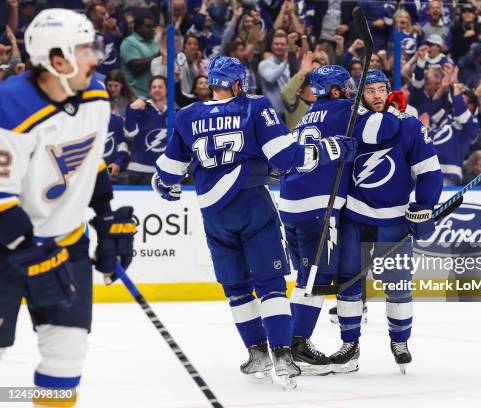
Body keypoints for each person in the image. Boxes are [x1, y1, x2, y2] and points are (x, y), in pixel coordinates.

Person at [151, 56, 357, 389]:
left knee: (236, 289)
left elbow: (167, 174)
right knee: (271, 283)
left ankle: (256, 352)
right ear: (236, 84)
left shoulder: (187, 116)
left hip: (213, 214)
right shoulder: (254, 107)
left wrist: (162, 185)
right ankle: (282, 355)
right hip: (252, 205)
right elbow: (288, 159)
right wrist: (329, 148)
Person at [0, 9, 135, 404]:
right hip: (6, 250)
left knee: (66, 361)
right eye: (85, 49)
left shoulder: (95, 95)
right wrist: (28, 249)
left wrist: (106, 217)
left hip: (65, 245)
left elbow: (88, 163)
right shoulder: (10, 105)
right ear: (56, 59)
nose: (96, 57)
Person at [279, 65, 400, 376]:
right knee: (316, 279)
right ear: (334, 90)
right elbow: (382, 129)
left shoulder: (308, 115)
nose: (353, 92)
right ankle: (296, 345)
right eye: (347, 87)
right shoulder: (347, 110)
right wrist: (394, 107)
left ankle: (290, 342)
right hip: (317, 208)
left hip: (290, 205)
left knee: (306, 277)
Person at [339, 69, 442, 373]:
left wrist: (424, 206)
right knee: (349, 284)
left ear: (388, 91)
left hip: (394, 218)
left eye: (381, 89)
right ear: (360, 95)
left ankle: (400, 341)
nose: (377, 96)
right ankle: (349, 343)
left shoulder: (409, 126)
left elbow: (429, 170)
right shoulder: (351, 124)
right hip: (354, 216)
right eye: (369, 91)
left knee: (397, 284)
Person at [124, 75, 168, 184]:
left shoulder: (172, 113)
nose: (156, 89)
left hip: (163, 172)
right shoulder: (141, 109)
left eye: (160, 87)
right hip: (139, 171)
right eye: (154, 87)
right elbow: (130, 132)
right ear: (150, 90)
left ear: (166, 90)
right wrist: (131, 110)